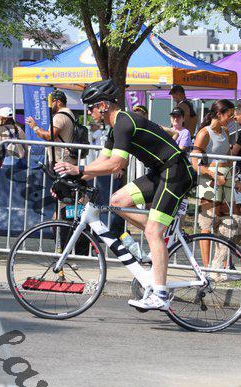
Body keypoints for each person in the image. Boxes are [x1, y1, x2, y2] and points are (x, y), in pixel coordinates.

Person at [54, 79, 196, 311]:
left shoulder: (124, 122)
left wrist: (79, 169)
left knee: (152, 232)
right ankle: (158, 232)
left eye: (90, 107)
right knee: (117, 201)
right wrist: (73, 178)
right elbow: (102, 161)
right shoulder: (115, 128)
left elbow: (116, 164)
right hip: (160, 172)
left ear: (103, 105)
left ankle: (160, 295)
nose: (88, 112)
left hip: (176, 172)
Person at [191, 100, 238, 271]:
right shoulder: (204, 133)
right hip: (209, 179)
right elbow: (195, 163)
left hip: (226, 178)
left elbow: (229, 157)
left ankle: (224, 264)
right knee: (207, 223)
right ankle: (206, 267)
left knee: (227, 222)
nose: (231, 118)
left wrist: (236, 179)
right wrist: (213, 175)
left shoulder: (225, 131)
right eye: (229, 115)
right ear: (219, 114)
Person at [26, 89, 77, 165]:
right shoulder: (70, 113)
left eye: (51, 102)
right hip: (67, 159)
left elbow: (50, 136)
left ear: (58, 102)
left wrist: (35, 127)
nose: (48, 105)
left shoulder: (60, 116)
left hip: (61, 161)